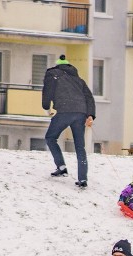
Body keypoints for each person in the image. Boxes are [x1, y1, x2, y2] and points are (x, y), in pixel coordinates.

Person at [42, 54, 96, 188]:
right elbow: (89, 97)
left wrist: (46, 107)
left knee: (50, 137)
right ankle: (82, 179)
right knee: (80, 146)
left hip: (65, 111)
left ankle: (61, 166)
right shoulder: (79, 80)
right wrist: (90, 115)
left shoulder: (53, 75)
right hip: (80, 113)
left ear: (58, 65)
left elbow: (47, 91)